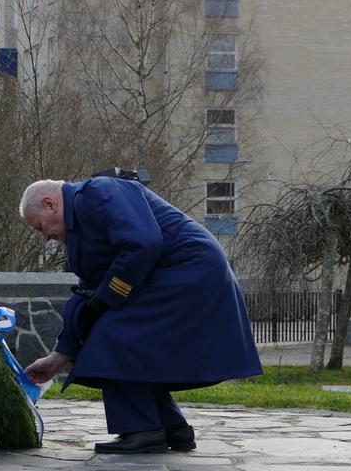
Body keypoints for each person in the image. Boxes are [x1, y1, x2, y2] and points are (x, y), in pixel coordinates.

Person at [20, 176, 263, 454]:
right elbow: (87, 298)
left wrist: (107, 298)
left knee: (112, 338)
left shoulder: (100, 192)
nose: (45, 236)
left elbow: (144, 243)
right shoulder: (78, 231)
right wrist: (59, 356)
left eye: (39, 227)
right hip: (174, 273)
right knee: (127, 341)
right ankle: (172, 427)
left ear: (50, 204)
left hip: (189, 269)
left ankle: (143, 430)